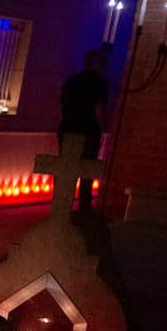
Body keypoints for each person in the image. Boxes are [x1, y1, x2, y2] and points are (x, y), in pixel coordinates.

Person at [59, 50, 108, 213]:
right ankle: (84, 208)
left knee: (66, 168)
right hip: (88, 130)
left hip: (68, 128)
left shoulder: (72, 81)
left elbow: (62, 105)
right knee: (87, 169)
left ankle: (61, 205)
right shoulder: (99, 83)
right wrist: (99, 130)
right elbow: (99, 109)